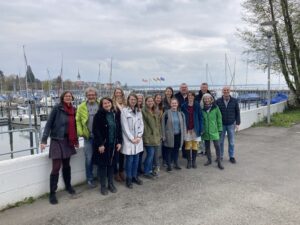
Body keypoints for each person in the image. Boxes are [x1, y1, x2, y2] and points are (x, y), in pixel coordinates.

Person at [41, 91, 79, 205]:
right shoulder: (57, 108)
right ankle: (52, 193)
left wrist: (76, 140)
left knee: (67, 165)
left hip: (68, 141)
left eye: (70, 96)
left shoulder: (74, 109)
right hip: (57, 140)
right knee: (56, 167)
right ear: (63, 98)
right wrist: (43, 140)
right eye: (66, 96)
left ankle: (68, 186)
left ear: (72, 98)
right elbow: (48, 124)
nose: (68, 97)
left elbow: (75, 126)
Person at [92, 97, 122, 195]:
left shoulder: (114, 114)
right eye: (105, 103)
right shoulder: (98, 115)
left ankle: (111, 184)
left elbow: (118, 129)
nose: (107, 105)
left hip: (113, 144)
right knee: (103, 166)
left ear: (111, 103)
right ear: (102, 105)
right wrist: (100, 144)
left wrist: (119, 142)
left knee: (111, 165)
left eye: (108, 103)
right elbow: (96, 131)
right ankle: (103, 186)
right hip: (104, 145)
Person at [76, 87, 99, 188]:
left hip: (99, 137)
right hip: (88, 136)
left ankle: (100, 176)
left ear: (96, 95)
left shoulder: (100, 104)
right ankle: (89, 179)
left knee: (100, 157)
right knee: (88, 158)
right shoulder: (81, 107)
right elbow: (78, 120)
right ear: (86, 96)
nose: (91, 96)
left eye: (93, 94)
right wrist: (80, 132)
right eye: (89, 95)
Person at [121, 93, 144, 188]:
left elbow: (141, 124)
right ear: (128, 100)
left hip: (138, 140)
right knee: (129, 160)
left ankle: (135, 176)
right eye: (131, 99)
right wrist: (132, 138)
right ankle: (129, 179)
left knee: (136, 159)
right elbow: (124, 127)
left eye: (135, 99)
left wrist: (139, 136)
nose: (133, 101)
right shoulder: (124, 111)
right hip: (129, 140)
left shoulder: (139, 111)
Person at [216, 86, 241, 164]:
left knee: (231, 142)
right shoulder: (218, 101)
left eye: (227, 90)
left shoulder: (234, 101)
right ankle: (220, 156)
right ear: (222, 91)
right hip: (221, 125)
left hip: (231, 124)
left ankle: (231, 156)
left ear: (229, 91)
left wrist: (237, 123)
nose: (226, 91)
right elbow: (216, 114)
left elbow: (237, 112)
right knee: (220, 142)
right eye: (224, 90)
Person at [162, 98, 186, 172]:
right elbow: (162, 125)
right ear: (170, 104)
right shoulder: (166, 113)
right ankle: (169, 165)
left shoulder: (181, 113)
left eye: (175, 103)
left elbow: (184, 125)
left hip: (178, 135)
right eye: (172, 103)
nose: (174, 105)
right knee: (169, 150)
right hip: (169, 135)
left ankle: (176, 163)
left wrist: (184, 135)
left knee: (176, 150)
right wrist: (163, 135)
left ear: (177, 104)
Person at [201, 93, 224, 170]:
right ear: (203, 100)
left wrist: (220, 128)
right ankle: (209, 160)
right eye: (205, 99)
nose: (207, 100)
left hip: (214, 130)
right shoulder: (202, 109)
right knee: (207, 147)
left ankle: (219, 162)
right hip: (205, 131)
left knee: (217, 146)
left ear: (211, 99)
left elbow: (219, 118)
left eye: (208, 98)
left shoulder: (215, 108)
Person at [181, 91, 203, 169]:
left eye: (192, 95)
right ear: (187, 96)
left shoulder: (197, 105)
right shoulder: (183, 106)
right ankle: (189, 161)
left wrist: (201, 128)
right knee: (187, 145)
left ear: (194, 97)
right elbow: (182, 118)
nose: (190, 97)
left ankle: (194, 161)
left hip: (195, 128)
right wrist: (186, 128)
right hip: (187, 129)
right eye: (189, 95)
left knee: (194, 145)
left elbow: (201, 117)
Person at [142, 96, 161, 179]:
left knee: (152, 155)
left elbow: (158, 124)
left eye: (151, 101)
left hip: (156, 137)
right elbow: (144, 126)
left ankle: (149, 170)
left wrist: (159, 134)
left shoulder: (155, 110)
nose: (150, 102)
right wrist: (146, 136)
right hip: (148, 137)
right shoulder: (143, 111)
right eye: (148, 101)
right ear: (145, 102)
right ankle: (146, 171)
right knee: (150, 154)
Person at [112, 88, 126, 182]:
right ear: (114, 93)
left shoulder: (125, 103)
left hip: (125, 129)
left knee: (122, 153)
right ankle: (115, 173)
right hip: (117, 129)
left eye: (119, 92)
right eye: (116, 92)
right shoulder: (112, 104)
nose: (118, 94)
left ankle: (121, 171)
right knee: (116, 153)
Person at [196, 82, 212, 155]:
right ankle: (200, 150)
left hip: (209, 120)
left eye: (205, 87)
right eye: (202, 87)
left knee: (208, 137)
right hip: (200, 118)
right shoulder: (197, 97)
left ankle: (206, 150)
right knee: (200, 136)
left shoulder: (211, 96)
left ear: (207, 88)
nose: (204, 88)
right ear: (200, 88)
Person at [161, 87, 174, 166]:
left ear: (172, 92)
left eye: (170, 91)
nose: (169, 93)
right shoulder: (163, 101)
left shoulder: (174, 100)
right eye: (167, 91)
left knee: (171, 142)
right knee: (165, 143)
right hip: (165, 123)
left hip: (172, 124)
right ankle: (164, 160)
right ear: (165, 92)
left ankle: (170, 159)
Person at [152, 93, 163, 175]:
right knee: (154, 150)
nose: (158, 99)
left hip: (159, 130)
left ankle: (156, 166)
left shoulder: (161, 108)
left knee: (157, 150)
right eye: (157, 98)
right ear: (154, 98)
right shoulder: (152, 108)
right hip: (153, 131)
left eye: (160, 98)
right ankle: (155, 166)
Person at [136, 93, 145, 175]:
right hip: (136, 134)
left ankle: (139, 167)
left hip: (143, 133)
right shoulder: (133, 109)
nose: (139, 99)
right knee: (137, 153)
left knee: (141, 152)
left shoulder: (143, 108)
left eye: (141, 98)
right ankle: (137, 169)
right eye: (138, 98)